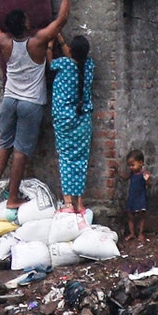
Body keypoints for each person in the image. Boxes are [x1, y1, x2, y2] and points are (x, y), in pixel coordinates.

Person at [0, 0, 73, 209]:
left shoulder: (4, 42)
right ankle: (12, 198)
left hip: (9, 100)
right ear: (26, 25)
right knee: (20, 152)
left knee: (4, 145)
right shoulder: (37, 42)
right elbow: (61, 20)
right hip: (30, 103)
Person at [49, 34, 94, 213]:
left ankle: (68, 203)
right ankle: (80, 202)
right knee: (81, 160)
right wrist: (62, 40)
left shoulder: (63, 65)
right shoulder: (89, 66)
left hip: (64, 119)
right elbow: (75, 59)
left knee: (66, 158)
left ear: (71, 52)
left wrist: (51, 46)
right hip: (83, 119)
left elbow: (50, 63)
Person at [119, 149, 151, 241]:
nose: (131, 167)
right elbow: (125, 178)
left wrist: (147, 180)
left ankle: (141, 233)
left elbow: (149, 185)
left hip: (140, 197)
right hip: (132, 197)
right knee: (130, 215)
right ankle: (132, 233)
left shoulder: (143, 174)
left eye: (133, 165)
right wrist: (117, 171)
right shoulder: (132, 173)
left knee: (141, 215)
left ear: (141, 163)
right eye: (129, 166)